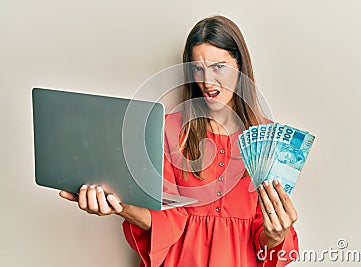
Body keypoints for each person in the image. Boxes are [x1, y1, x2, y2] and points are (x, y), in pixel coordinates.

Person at [60, 15, 299, 267]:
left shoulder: (270, 140)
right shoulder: (168, 130)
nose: (207, 82)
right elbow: (166, 221)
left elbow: (269, 240)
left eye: (219, 67)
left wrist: (276, 235)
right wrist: (120, 206)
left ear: (240, 66)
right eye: (198, 68)